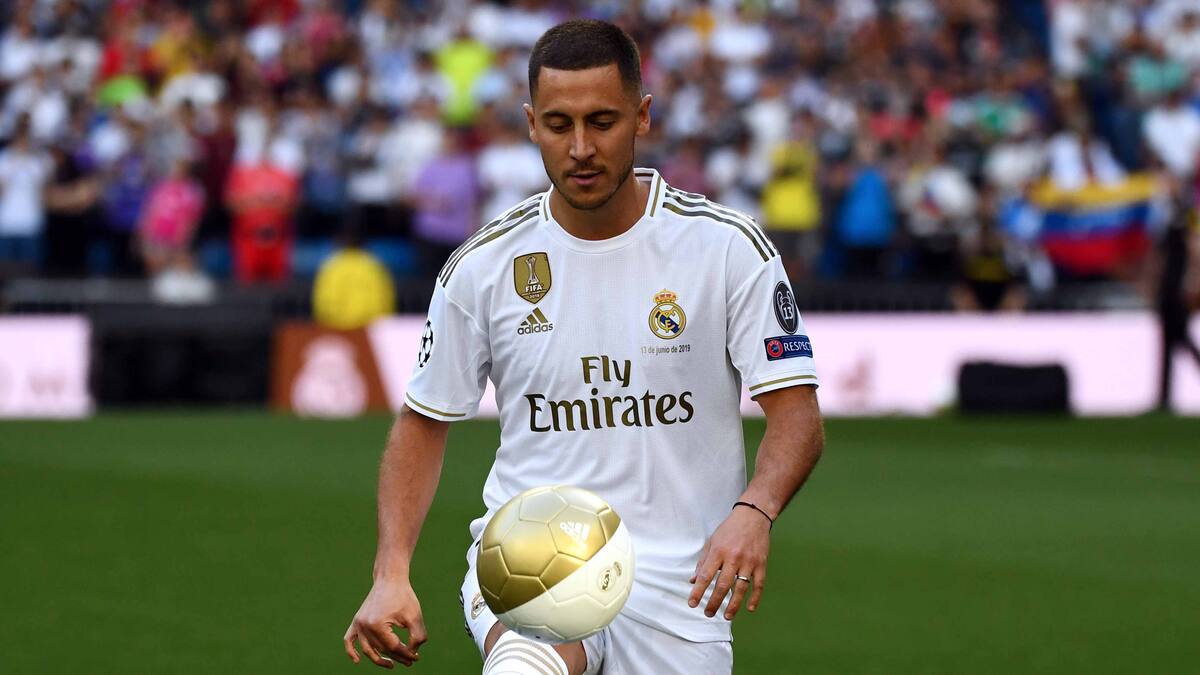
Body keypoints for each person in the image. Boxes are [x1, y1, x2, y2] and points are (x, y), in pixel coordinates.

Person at [343, 20, 824, 675]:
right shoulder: (483, 267)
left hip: (681, 584)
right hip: (535, 552)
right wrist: (391, 571)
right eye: (558, 124)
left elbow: (797, 414)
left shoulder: (726, 249)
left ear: (642, 116)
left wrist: (754, 511)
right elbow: (423, 421)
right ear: (531, 124)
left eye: (601, 121)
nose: (580, 148)